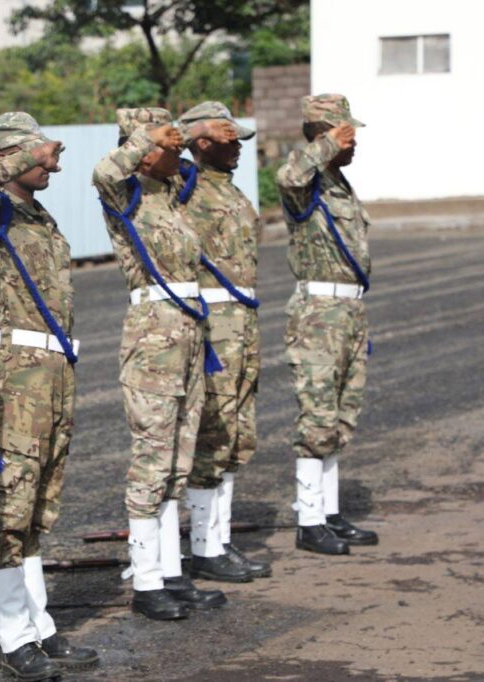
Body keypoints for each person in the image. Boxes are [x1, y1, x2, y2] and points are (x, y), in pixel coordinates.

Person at [0, 112, 98, 679]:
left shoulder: (37, 214)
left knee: (40, 505)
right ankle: (14, 635)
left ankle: (38, 625)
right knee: (10, 508)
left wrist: (33, 155)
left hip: (55, 368)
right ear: (9, 157)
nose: (51, 167)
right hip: (19, 375)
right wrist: (28, 153)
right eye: (38, 157)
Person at [93, 108, 225, 621]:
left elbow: (190, 163)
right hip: (154, 336)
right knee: (152, 458)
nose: (178, 153)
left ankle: (171, 572)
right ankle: (147, 580)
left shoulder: (170, 192)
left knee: (177, 460)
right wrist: (146, 138)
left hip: (188, 330)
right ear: (143, 150)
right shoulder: (124, 194)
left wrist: (187, 135)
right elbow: (105, 171)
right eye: (168, 146)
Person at [276, 94, 379, 555]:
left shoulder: (338, 183)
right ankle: (309, 520)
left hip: (349, 310)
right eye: (345, 133)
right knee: (317, 417)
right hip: (319, 312)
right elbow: (288, 175)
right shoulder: (307, 181)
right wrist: (326, 145)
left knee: (341, 416)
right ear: (324, 135)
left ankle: (330, 512)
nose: (353, 142)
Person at [177, 102, 272, 582]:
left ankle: (220, 538)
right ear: (201, 142)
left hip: (243, 319)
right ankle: (204, 547)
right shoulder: (184, 184)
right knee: (213, 432)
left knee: (236, 433)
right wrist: (182, 135)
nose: (238, 149)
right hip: (214, 321)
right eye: (228, 140)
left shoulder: (229, 187)